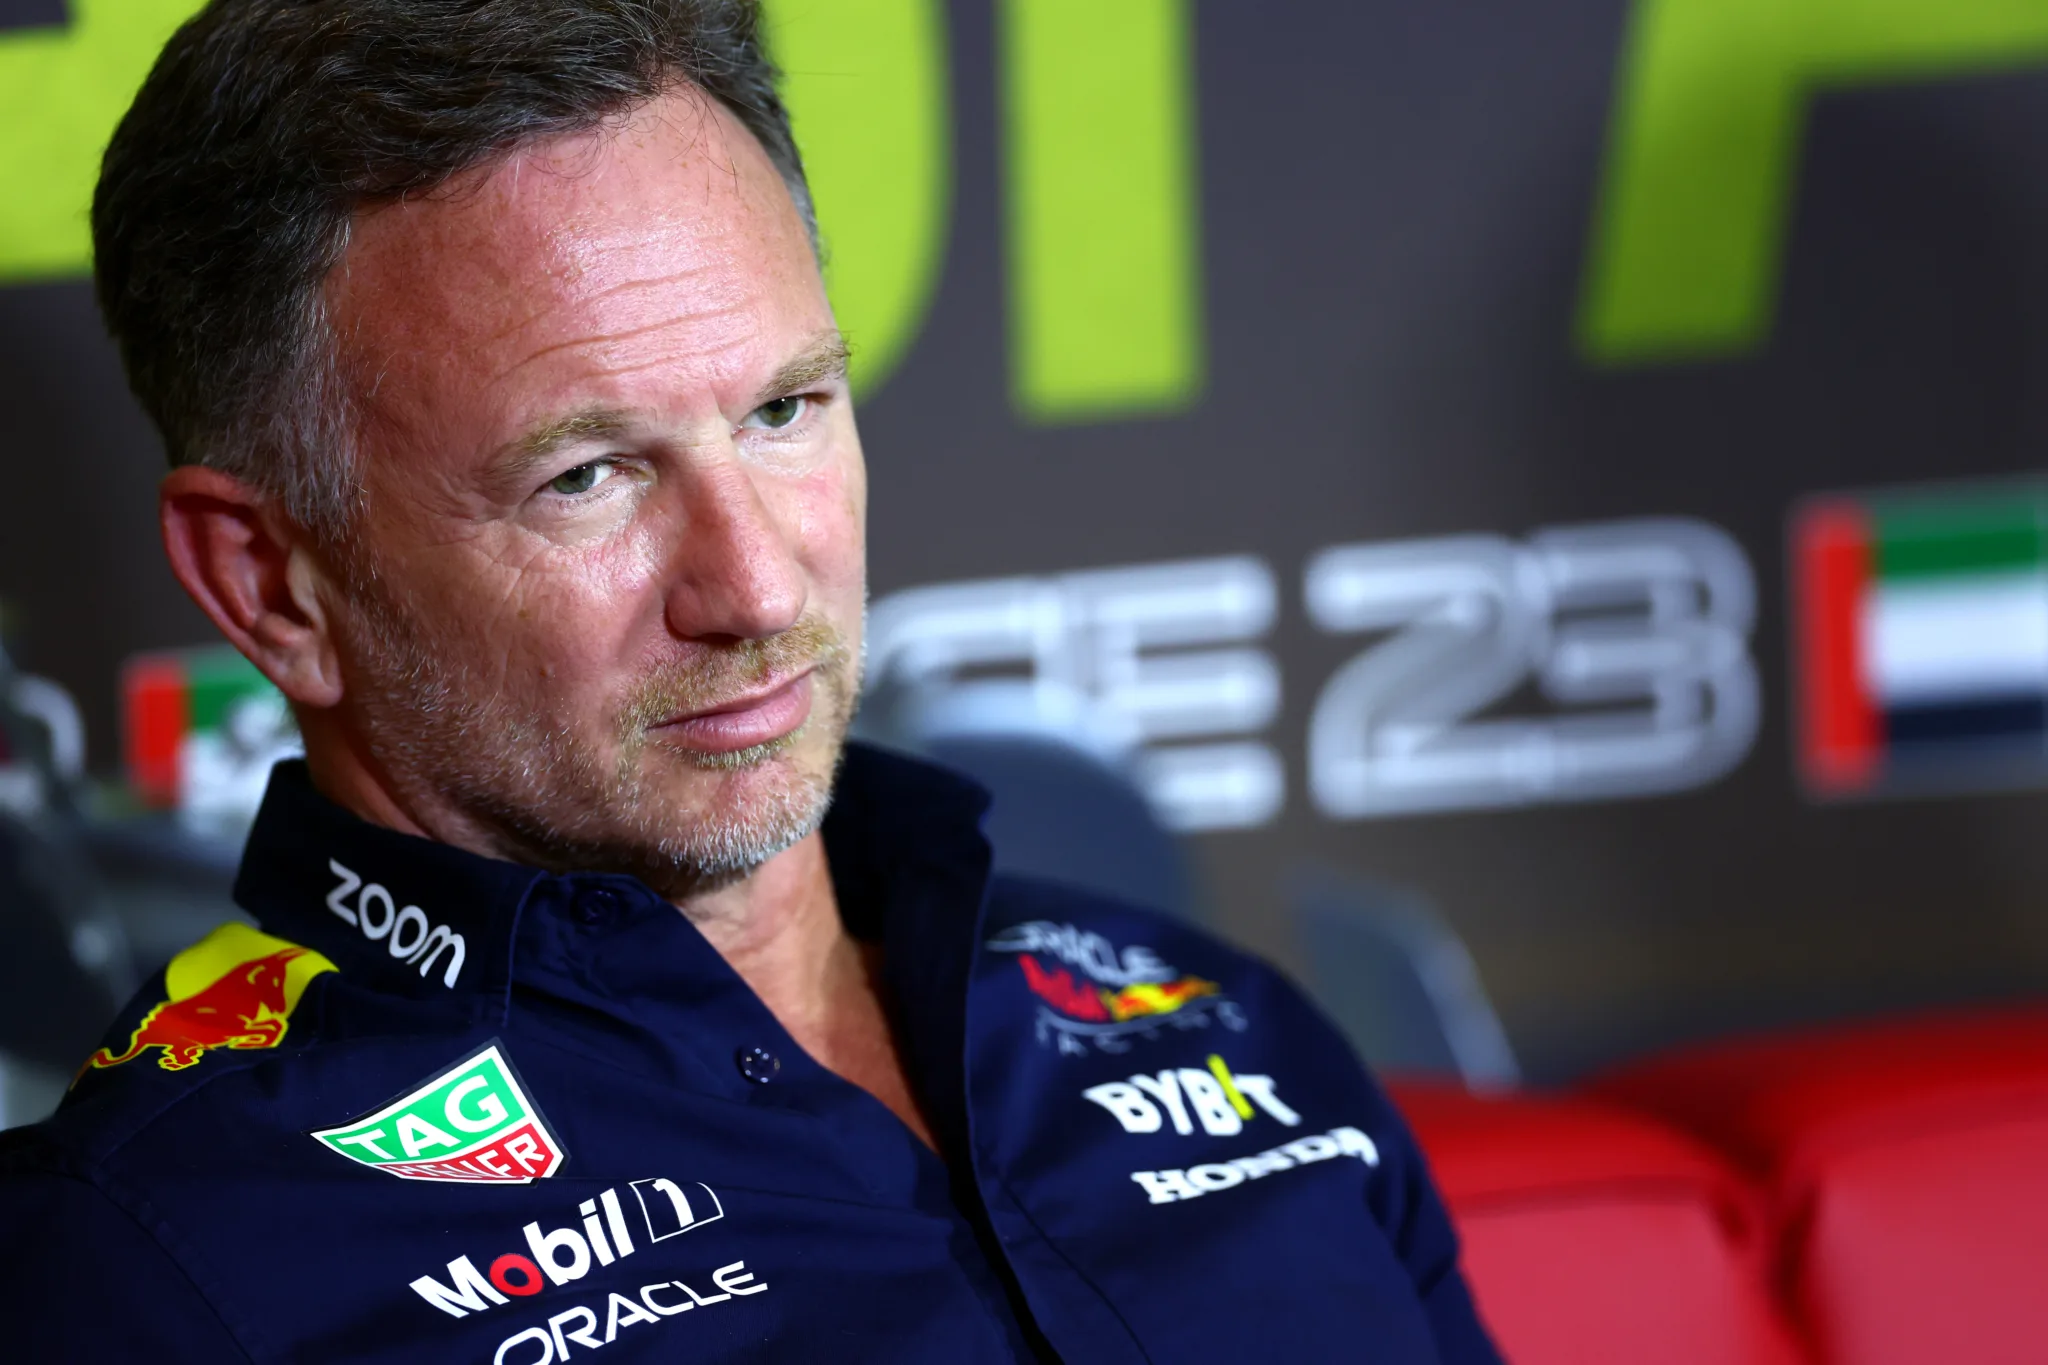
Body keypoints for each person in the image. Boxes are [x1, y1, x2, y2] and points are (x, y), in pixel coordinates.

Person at [0, 1, 1504, 1359]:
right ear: (272, 582)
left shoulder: (1219, 1028)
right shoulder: (147, 1262)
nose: (761, 588)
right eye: (586, 476)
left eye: (785, 409)